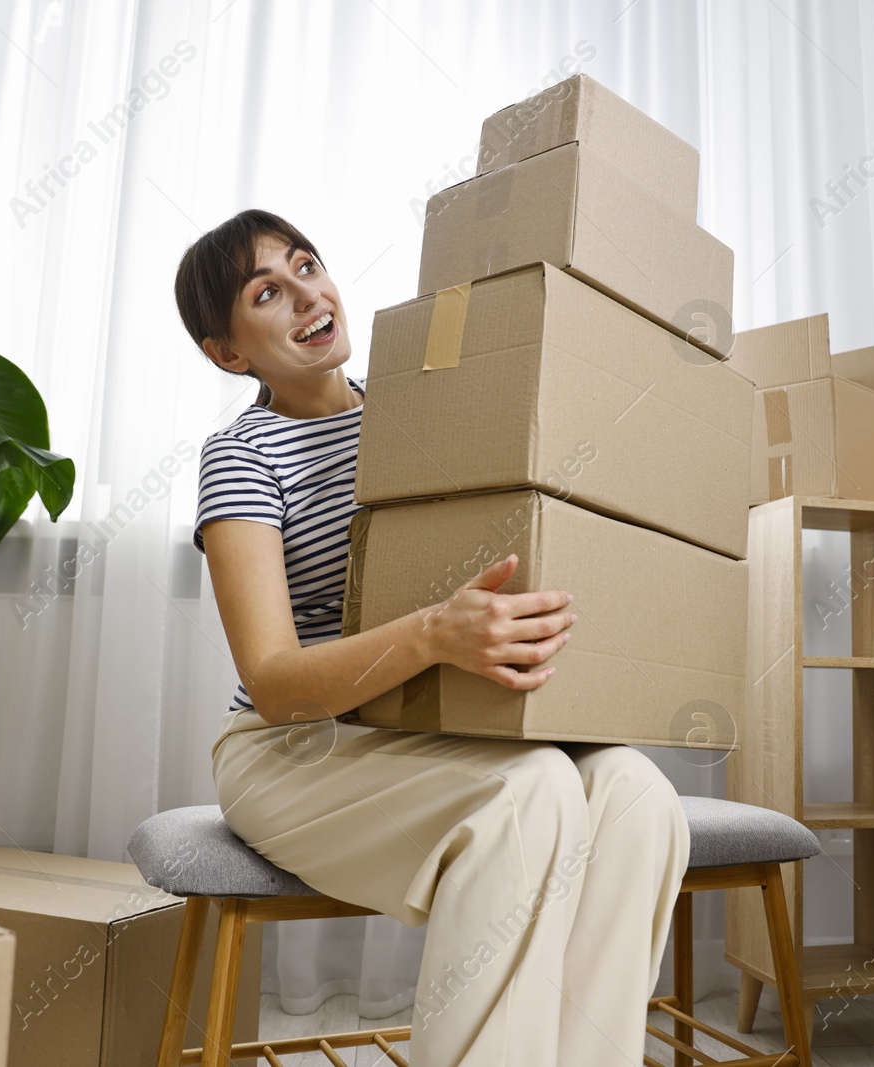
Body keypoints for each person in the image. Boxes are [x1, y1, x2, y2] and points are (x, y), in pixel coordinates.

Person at [174, 208, 690, 1066]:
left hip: (416, 730)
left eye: (308, 265)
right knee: (528, 794)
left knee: (638, 795)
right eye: (269, 292)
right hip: (288, 748)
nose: (307, 293)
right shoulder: (241, 455)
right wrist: (433, 634)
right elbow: (272, 680)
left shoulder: (420, 412)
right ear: (228, 352)